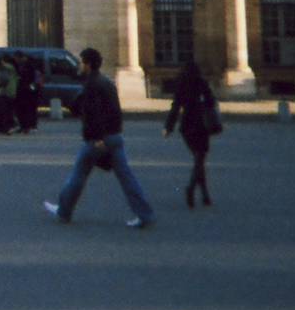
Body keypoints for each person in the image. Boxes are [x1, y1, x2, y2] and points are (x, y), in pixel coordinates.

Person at [43, 47, 156, 229]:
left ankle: (64, 210)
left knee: (78, 175)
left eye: (81, 62)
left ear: (88, 64)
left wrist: (97, 137)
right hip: (114, 136)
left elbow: (93, 114)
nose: (80, 66)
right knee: (127, 178)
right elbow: (115, 112)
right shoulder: (106, 82)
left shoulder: (92, 85)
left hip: (98, 139)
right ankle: (144, 214)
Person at [163, 60, 220, 208]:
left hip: (187, 126)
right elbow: (211, 102)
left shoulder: (181, 85)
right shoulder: (202, 83)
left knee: (198, 159)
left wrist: (168, 127)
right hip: (202, 126)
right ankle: (192, 188)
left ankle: (205, 195)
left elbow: (175, 107)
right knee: (200, 159)